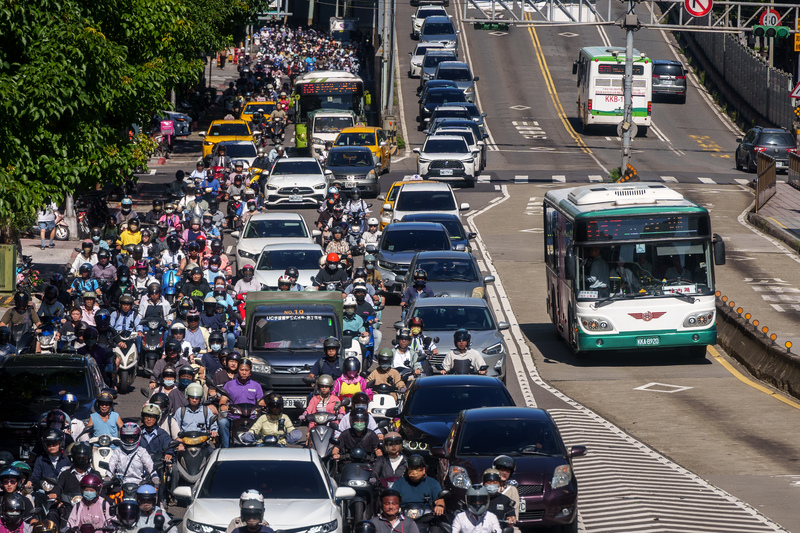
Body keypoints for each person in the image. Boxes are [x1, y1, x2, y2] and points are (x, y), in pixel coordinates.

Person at [218, 359, 265, 448]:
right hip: (234, 417)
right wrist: (223, 405)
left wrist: (263, 406)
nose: (244, 373)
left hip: (251, 418)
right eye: (241, 370)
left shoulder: (256, 385)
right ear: (238, 370)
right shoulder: (229, 384)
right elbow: (223, 399)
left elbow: (261, 401)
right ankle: (225, 448)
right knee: (222, 422)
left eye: (246, 370)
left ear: (250, 371)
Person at [139, 404, 174, 469]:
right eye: (146, 416)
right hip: (139, 466)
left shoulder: (163, 434)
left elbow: (168, 446)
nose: (149, 419)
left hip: (157, 466)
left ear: (157, 418)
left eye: (152, 417)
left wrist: (169, 453)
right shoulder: (137, 433)